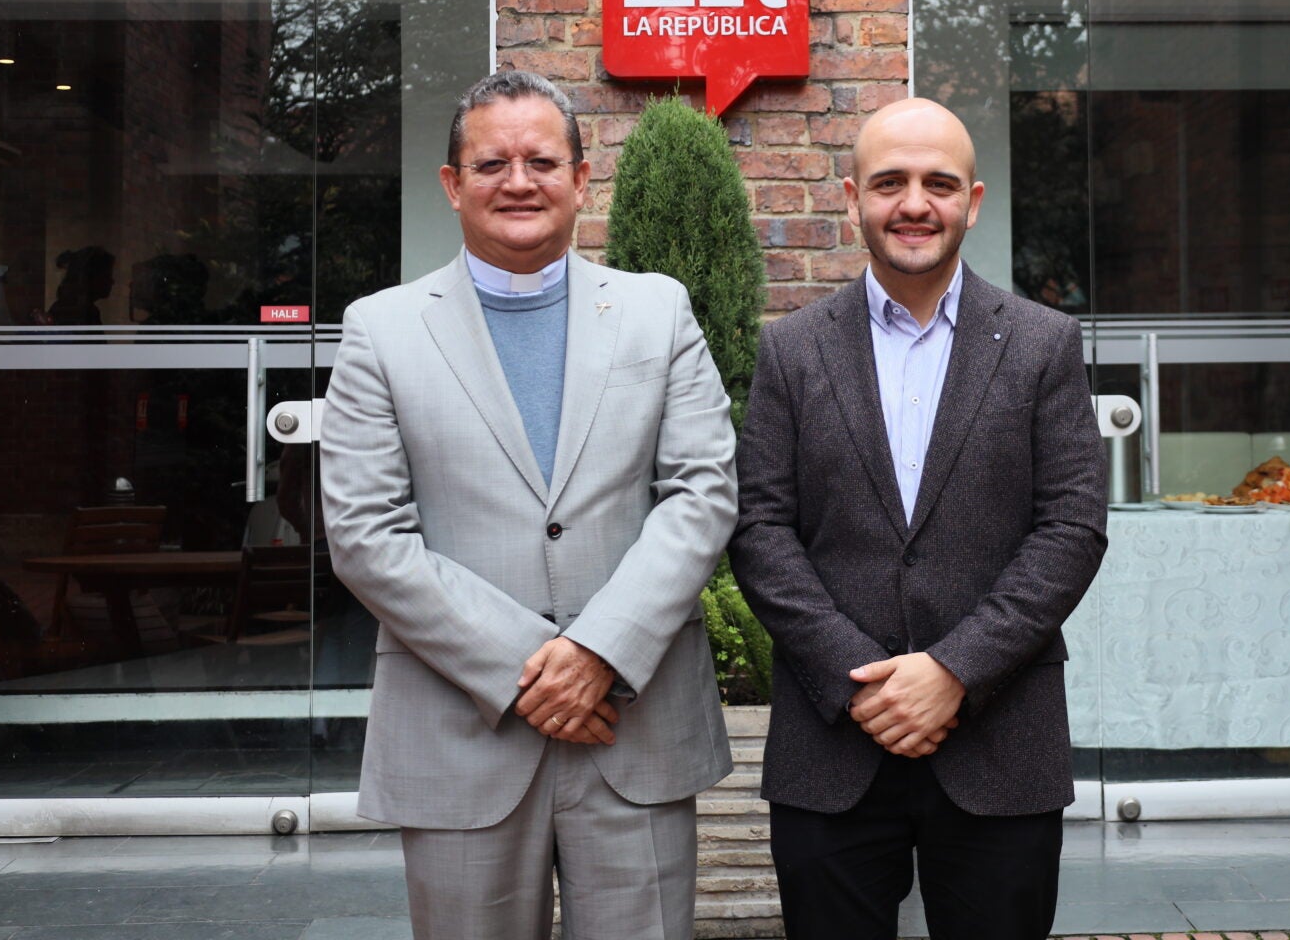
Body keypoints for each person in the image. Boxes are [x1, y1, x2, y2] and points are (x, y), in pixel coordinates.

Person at [321, 71, 738, 940]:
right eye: (491, 162)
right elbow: (367, 536)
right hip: (459, 731)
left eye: (543, 160)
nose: (519, 181)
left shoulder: (659, 313)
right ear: (452, 184)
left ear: (583, 179)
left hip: (633, 725)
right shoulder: (381, 330)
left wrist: (598, 651)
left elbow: (701, 492)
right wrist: (535, 665)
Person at [729, 97, 1108, 940]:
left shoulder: (1044, 343)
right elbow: (759, 529)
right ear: (853, 196)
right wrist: (862, 680)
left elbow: (1072, 526)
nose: (914, 203)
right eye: (890, 182)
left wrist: (955, 671)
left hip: (1001, 740)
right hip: (833, 746)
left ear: (972, 202)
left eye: (938, 184)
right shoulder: (792, 350)